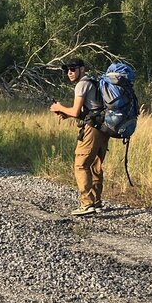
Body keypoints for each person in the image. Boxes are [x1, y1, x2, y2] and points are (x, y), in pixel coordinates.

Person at [49, 58, 108, 217]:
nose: (69, 72)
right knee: (96, 165)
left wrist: (58, 107)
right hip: (103, 128)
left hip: (91, 129)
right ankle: (96, 202)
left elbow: (75, 111)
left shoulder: (82, 84)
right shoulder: (94, 81)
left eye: (73, 69)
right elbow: (91, 109)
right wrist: (67, 115)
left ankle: (86, 203)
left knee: (81, 165)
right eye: (67, 70)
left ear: (82, 69)